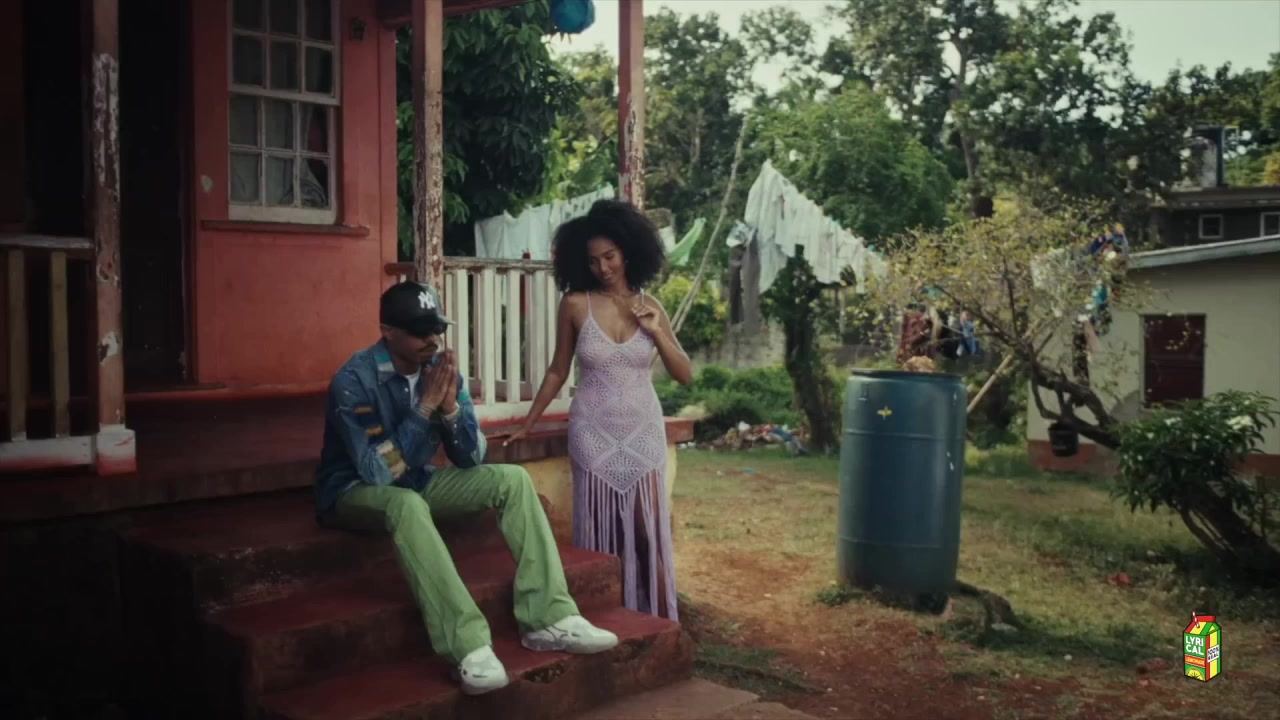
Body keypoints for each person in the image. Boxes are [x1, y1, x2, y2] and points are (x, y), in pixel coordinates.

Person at [314, 280, 618, 697]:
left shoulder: (441, 370)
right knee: (405, 505)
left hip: (416, 479)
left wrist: (451, 410)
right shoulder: (354, 380)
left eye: (436, 328)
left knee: (512, 479)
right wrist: (424, 408)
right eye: (420, 331)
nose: (432, 339)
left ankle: (548, 617)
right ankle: (468, 646)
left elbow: (473, 457)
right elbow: (378, 472)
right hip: (352, 489)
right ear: (388, 332)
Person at [505, 200, 693, 621]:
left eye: (609, 256)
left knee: (646, 531)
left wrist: (657, 332)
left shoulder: (651, 306)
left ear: (627, 251)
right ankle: (603, 619)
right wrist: (528, 424)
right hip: (592, 433)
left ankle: (657, 619)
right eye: (593, 261)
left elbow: (684, 374)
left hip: (643, 433)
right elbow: (558, 370)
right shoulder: (575, 304)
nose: (603, 268)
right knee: (600, 534)